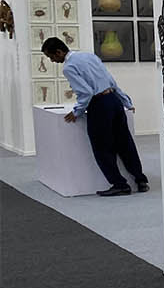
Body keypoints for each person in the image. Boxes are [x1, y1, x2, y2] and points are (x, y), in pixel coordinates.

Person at [41, 37, 147, 197]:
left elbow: (86, 92)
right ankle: (140, 180)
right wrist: (126, 101)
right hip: (114, 101)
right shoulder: (89, 56)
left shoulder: (68, 67)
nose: (52, 61)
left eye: (51, 57)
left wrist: (77, 111)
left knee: (102, 147)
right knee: (125, 143)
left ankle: (120, 185)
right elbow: (111, 81)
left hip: (99, 105)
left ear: (59, 52)